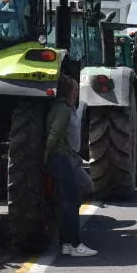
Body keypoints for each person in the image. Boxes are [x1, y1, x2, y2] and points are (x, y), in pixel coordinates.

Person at [45, 75, 96, 258]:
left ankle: (66, 243)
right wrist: (46, 155)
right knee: (72, 201)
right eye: (75, 90)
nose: (77, 93)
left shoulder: (65, 107)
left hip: (64, 158)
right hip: (61, 158)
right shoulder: (64, 110)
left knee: (66, 201)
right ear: (69, 92)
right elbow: (54, 133)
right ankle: (75, 245)